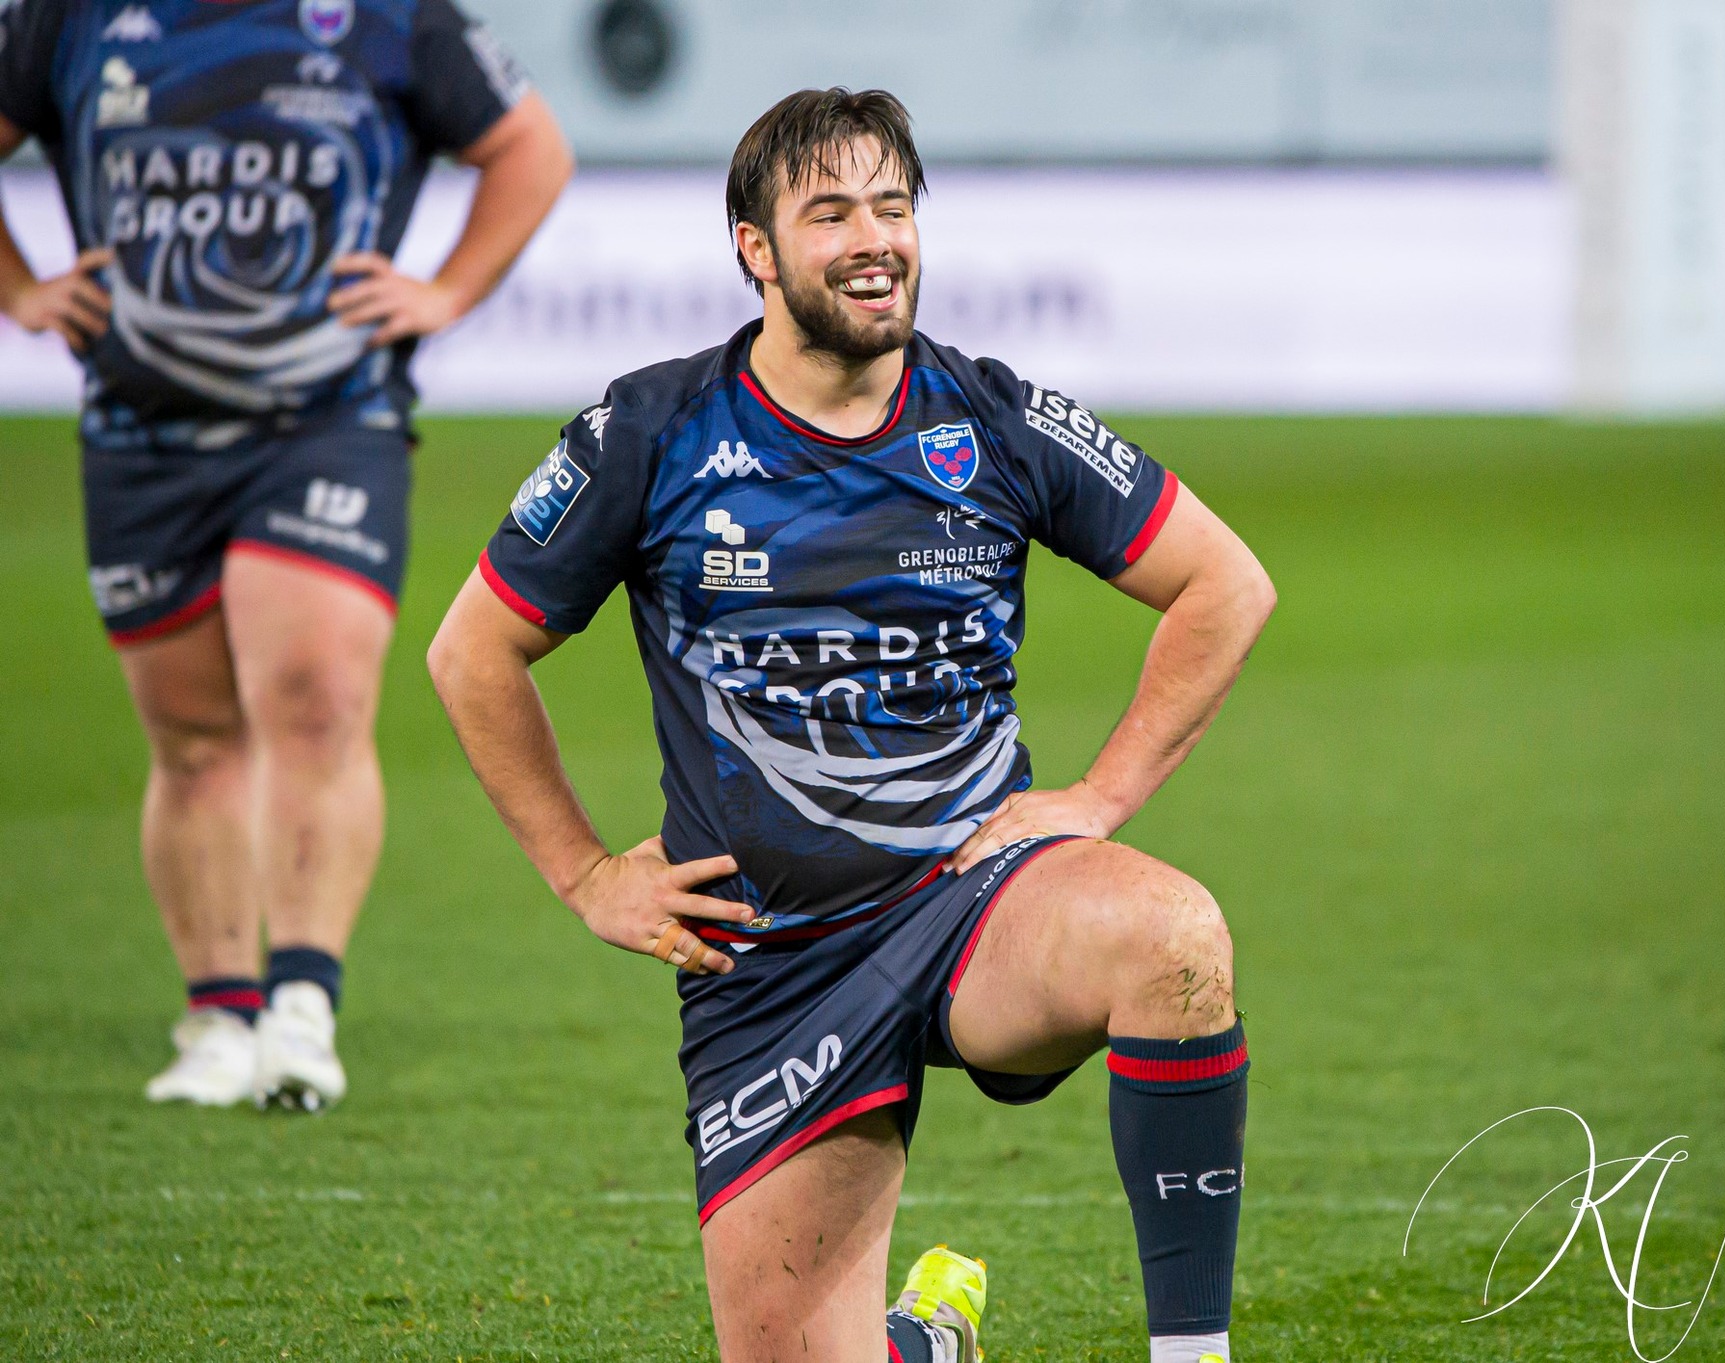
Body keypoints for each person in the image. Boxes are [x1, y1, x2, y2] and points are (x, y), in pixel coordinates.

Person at [428, 88, 1275, 1363]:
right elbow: (474, 650)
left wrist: (1096, 799)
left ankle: (1192, 1354)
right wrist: (585, 873)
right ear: (755, 250)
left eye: (892, 205)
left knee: (1174, 939)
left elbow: (1224, 585)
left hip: (975, 902)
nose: (872, 238)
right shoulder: (650, 434)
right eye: (829, 212)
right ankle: (924, 1342)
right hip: (769, 963)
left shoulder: (990, 419)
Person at [0, 0, 572, 1110]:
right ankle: (216, 1016)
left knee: (311, 695)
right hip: (138, 435)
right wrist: (20, 287)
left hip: (327, 420)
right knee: (192, 732)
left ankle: (302, 1002)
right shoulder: (65, 16)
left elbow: (529, 146)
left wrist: (446, 290)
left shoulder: (387, 15)